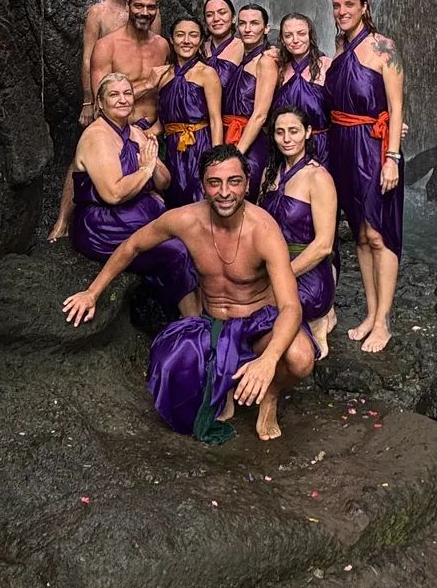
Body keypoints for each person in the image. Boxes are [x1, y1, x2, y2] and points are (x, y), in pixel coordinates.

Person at [63, 146, 313, 443]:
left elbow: (290, 307)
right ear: (202, 186)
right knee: (169, 365)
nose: (224, 192)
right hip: (213, 325)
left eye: (234, 181)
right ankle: (224, 379)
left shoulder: (264, 230)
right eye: (214, 182)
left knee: (300, 358)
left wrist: (269, 360)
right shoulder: (185, 220)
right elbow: (133, 246)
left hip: (261, 325)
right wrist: (92, 292)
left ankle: (269, 395)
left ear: (247, 183)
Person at [62, 72, 198, 318]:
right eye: (114, 95)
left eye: (127, 93)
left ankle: (196, 316)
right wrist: (144, 170)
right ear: (101, 103)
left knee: (191, 234)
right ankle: (192, 321)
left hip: (134, 211)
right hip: (102, 222)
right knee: (177, 248)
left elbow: (165, 182)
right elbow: (113, 194)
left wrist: (152, 163)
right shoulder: (98, 137)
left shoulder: (135, 132)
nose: (123, 99)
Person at [326, 0, 404, 354]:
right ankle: (371, 314)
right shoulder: (340, 49)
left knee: (379, 232)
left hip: (372, 148)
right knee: (358, 233)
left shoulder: (384, 47)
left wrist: (393, 156)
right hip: (342, 146)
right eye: (337, 6)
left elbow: (396, 106)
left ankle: (384, 321)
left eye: (348, 5)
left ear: (364, 6)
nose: (342, 11)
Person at [260, 105, 339, 360]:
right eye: (280, 132)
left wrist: (281, 276)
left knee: (265, 309)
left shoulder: (319, 178)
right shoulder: (269, 173)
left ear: (307, 132)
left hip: (307, 273)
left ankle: (318, 321)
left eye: (293, 131)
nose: (286, 139)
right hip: (273, 264)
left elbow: (325, 245)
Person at [88, 0, 173, 134]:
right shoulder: (106, 46)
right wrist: (148, 84)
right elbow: (103, 99)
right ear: (128, 5)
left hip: (154, 132)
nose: (145, 12)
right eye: (138, 6)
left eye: (151, 7)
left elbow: (168, 94)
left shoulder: (162, 46)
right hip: (119, 131)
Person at [157, 16, 223, 207]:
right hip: (172, 148)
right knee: (175, 199)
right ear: (171, 39)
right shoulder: (164, 76)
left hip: (199, 144)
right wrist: (136, 135)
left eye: (193, 35)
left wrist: (216, 159)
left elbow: (215, 119)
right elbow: (163, 123)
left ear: (201, 40)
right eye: (180, 35)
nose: (186, 41)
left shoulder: (207, 73)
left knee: (200, 199)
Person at [78, 0, 144, 125]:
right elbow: (87, 59)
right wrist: (88, 101)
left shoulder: (149, 13)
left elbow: (154, 52)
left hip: (143, 102)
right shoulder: (98, 12)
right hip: (110, 100)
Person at [220, 2, 277, 194]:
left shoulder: (266, 61)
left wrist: (237, 153)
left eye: (254, 23)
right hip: (230, 134)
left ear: (266, 28)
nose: (247, 28)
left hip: (249, 141)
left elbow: (260, 114)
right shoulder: (242, 57)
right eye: (243, 23)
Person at [271, 12, 329, 166]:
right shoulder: (278, 69)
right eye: (288, 35)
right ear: (282, 40)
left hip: (321, 147)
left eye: (301, 33)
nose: (295, 40)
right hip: (284, 146)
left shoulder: (327, 65)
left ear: (310, 36)